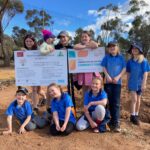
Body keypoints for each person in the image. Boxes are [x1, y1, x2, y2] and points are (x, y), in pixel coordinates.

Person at [101, 41, 126, 132]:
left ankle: (116, 123)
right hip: (108, 83)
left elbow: (124, 68)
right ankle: (107, 121)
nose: (112, 48)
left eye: (113, 46)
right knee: (107, 102)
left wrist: (118, 77)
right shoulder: (106, 57)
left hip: (117, 83)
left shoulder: (121, 58)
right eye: (110, 47)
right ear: (108, 49)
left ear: (117, 47)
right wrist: (107, 76)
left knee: (115, 103)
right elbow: (103, 67)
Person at [126, 42, 149, 125]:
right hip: (132, 83)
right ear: (131, 50)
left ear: (140, 50)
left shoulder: (144, 61)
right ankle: (132, 116)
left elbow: (145, 73)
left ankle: (136, 114)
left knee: (138, 100)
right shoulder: (130, 61)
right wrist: (127, 83)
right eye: (133, 48)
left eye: (136, 48)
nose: (134, 50)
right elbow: (128, 73)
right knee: (134, 99)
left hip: (140, 83)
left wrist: (144, 84)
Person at [22, 34, 47, 112]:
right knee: (37, 90)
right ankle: (45, 98)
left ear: (33, 42)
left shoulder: (37, 49)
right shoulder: (22, 50)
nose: (28, 43)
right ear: (24, 42)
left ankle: (35, 107)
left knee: (34, 89)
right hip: (30, 72)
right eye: (27, 41)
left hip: (38, 72)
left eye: (30, 41)